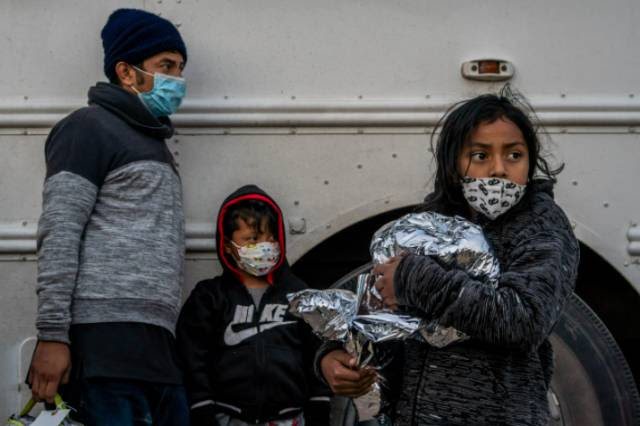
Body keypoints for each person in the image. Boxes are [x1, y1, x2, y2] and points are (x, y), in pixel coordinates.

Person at [318, 89, 580, 425]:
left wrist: (416, 280)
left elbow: (524, 321)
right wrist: (335, 354)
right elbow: (375, 302)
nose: (499, 169)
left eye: (514, 155)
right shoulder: (428, 223)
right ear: (454, 163)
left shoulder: (541, 226)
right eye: (480, 155)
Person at [27, 8, 190, 425]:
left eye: (180, 68)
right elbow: (60, 234)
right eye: (165, 66)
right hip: (103, 350)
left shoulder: (154, 142)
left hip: (156, 351)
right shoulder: (87, 129)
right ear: (126, 71)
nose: (177, 80)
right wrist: (52, 336)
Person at [176, 185, 331, 426]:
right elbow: (192, 356)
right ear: (228, 245)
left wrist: (320, 401)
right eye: (252, 239)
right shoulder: (210, 296)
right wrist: (201, 405)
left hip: (290, 418)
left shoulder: (300, 294)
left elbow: (319, 350)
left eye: (271, 238)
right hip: (229, 417)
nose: (264, 246)